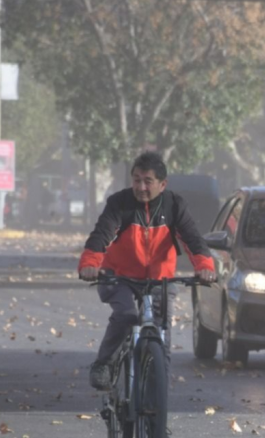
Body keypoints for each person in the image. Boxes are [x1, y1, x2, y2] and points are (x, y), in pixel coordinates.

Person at [78, 151, 216, 390]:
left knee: (162, 335)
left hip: (160, 281)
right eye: (136, 180)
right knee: (127, 316)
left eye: (147, 181)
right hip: (119, 277)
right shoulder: (119, 203)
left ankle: (158, 406)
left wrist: (205, 268)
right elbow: (101, 235)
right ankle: (104, 364)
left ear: (162, 184)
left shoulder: (174, 205)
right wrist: (90, 264)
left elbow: (193, 240)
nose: (141, 187)